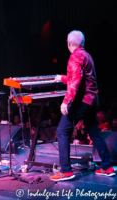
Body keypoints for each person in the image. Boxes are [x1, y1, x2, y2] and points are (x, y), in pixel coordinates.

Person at [50, 30, 115, 181]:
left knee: (62, 131)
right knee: (94, 132)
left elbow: (77, 82)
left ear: (68, 43)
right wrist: (63, 78)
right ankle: (107, 167)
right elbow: (81, 78)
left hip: (82, 101)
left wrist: (66, 101)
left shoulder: (75, 56)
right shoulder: (87, 55)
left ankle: (66, 170)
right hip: (92, 100)